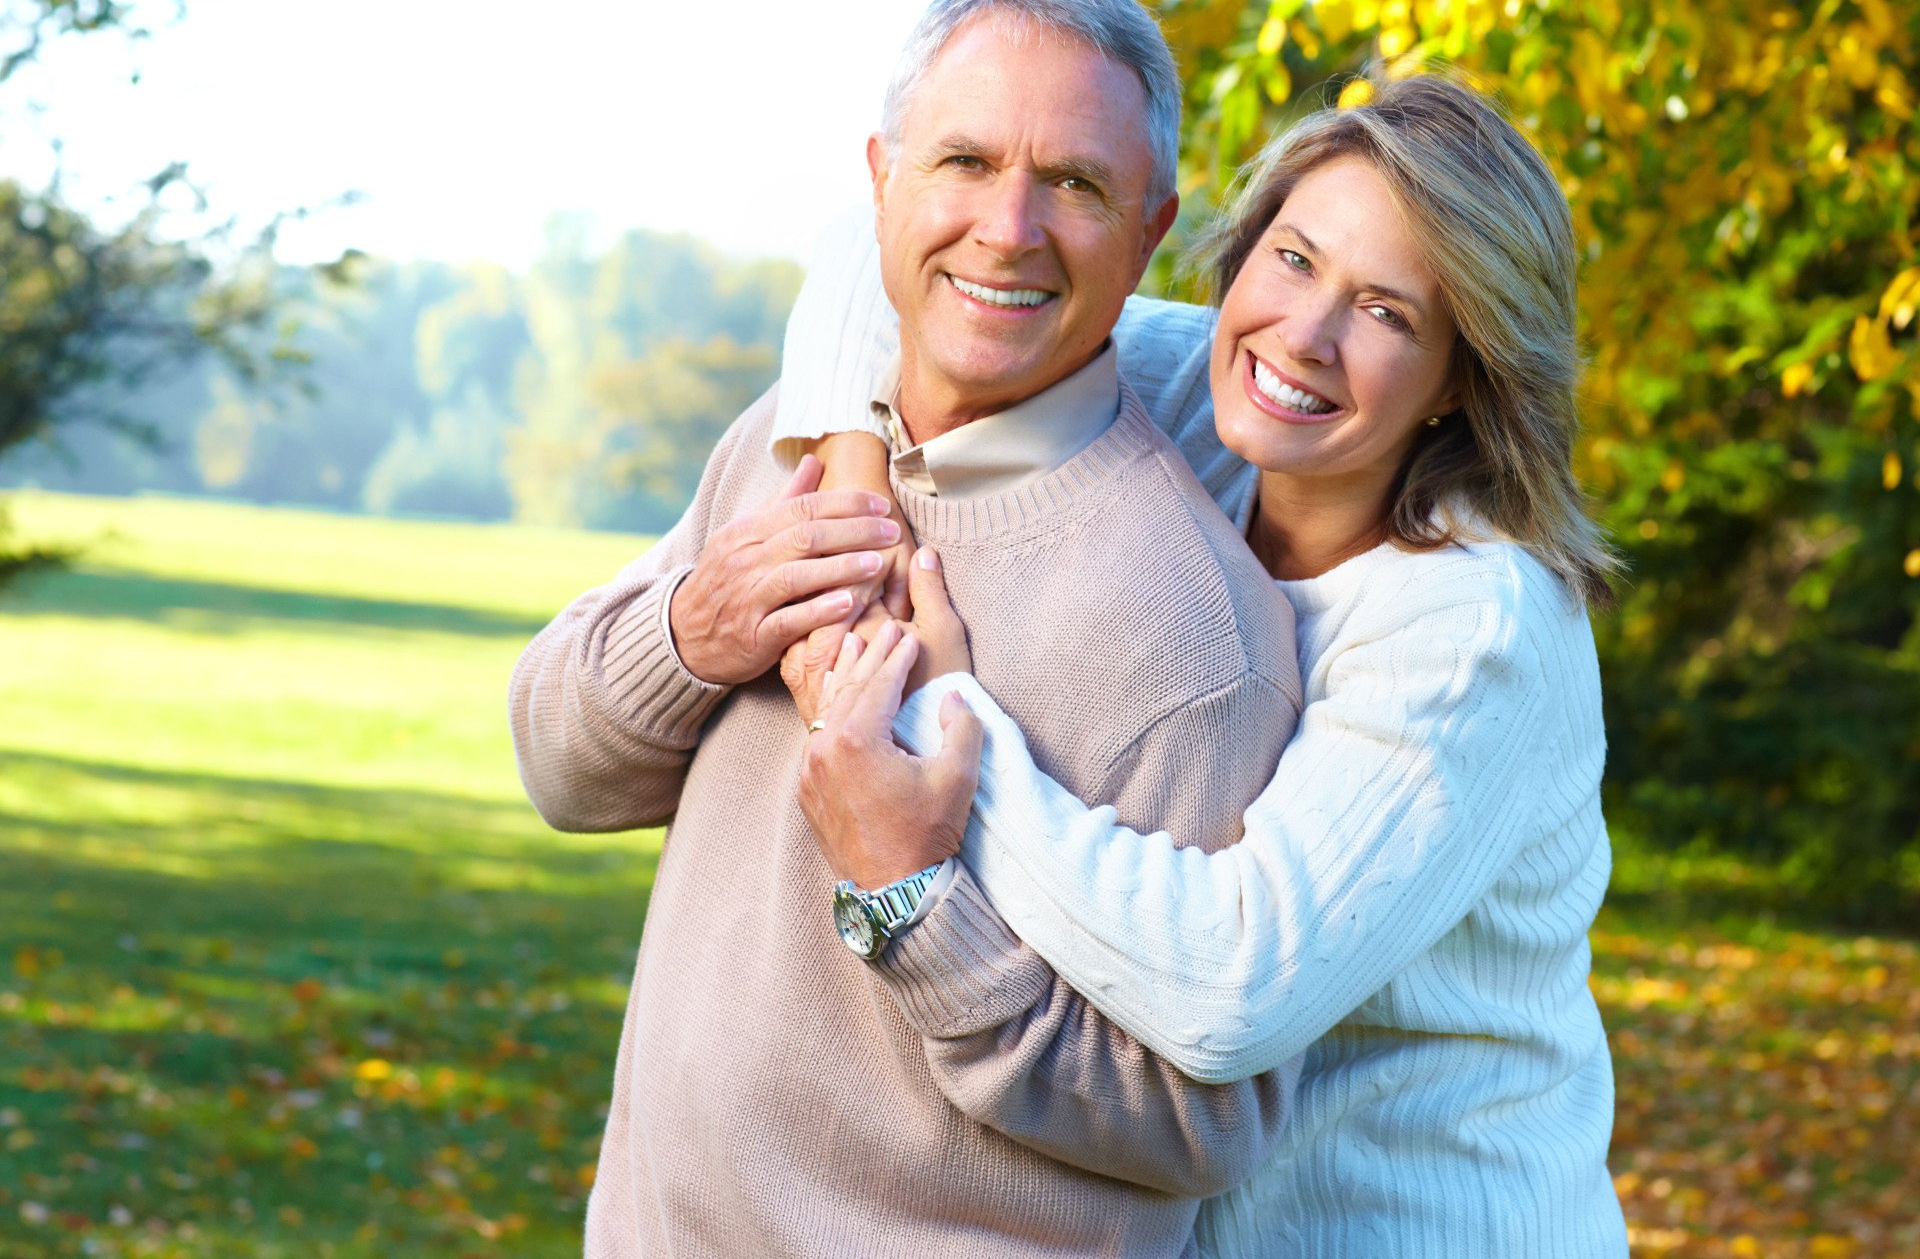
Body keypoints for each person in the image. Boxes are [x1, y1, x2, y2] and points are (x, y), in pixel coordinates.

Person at [778, 72, 1632, 1258]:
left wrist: (940, 720)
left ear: (1463, 379)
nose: (1306, 335)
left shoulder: (1474, 623)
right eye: (1293, 259)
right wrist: (861, 494)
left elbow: (1229, 989)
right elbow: (868, 256)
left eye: (1388, 314)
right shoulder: (1201, 394)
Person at [508, 1, 1308, 1254]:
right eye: (966, 161)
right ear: (882, 179)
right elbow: (557, 767)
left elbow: (1199, 1124)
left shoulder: (1196, 640)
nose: (1009, 227)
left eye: (1077, 184)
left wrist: (913, 898)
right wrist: (690, 630)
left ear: (1150, 232)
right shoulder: (790, 442)